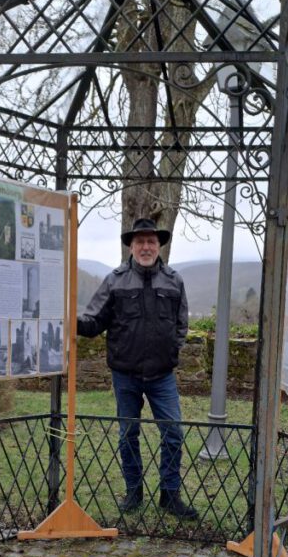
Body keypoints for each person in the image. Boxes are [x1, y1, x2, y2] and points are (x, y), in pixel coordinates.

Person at [77, 218, 198, 519]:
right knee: (128, 433)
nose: (146, 247)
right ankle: (134, 493)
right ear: (131, 246)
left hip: (162, 376)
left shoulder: (174, 281)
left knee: (173, 433)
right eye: (140, 242)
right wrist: (71, 317)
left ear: (159, 246)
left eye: (151, 242)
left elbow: (181, 323)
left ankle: (170, 496)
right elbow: (94, 322)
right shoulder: (115, 280)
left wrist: (172, 347)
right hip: (125, 374)